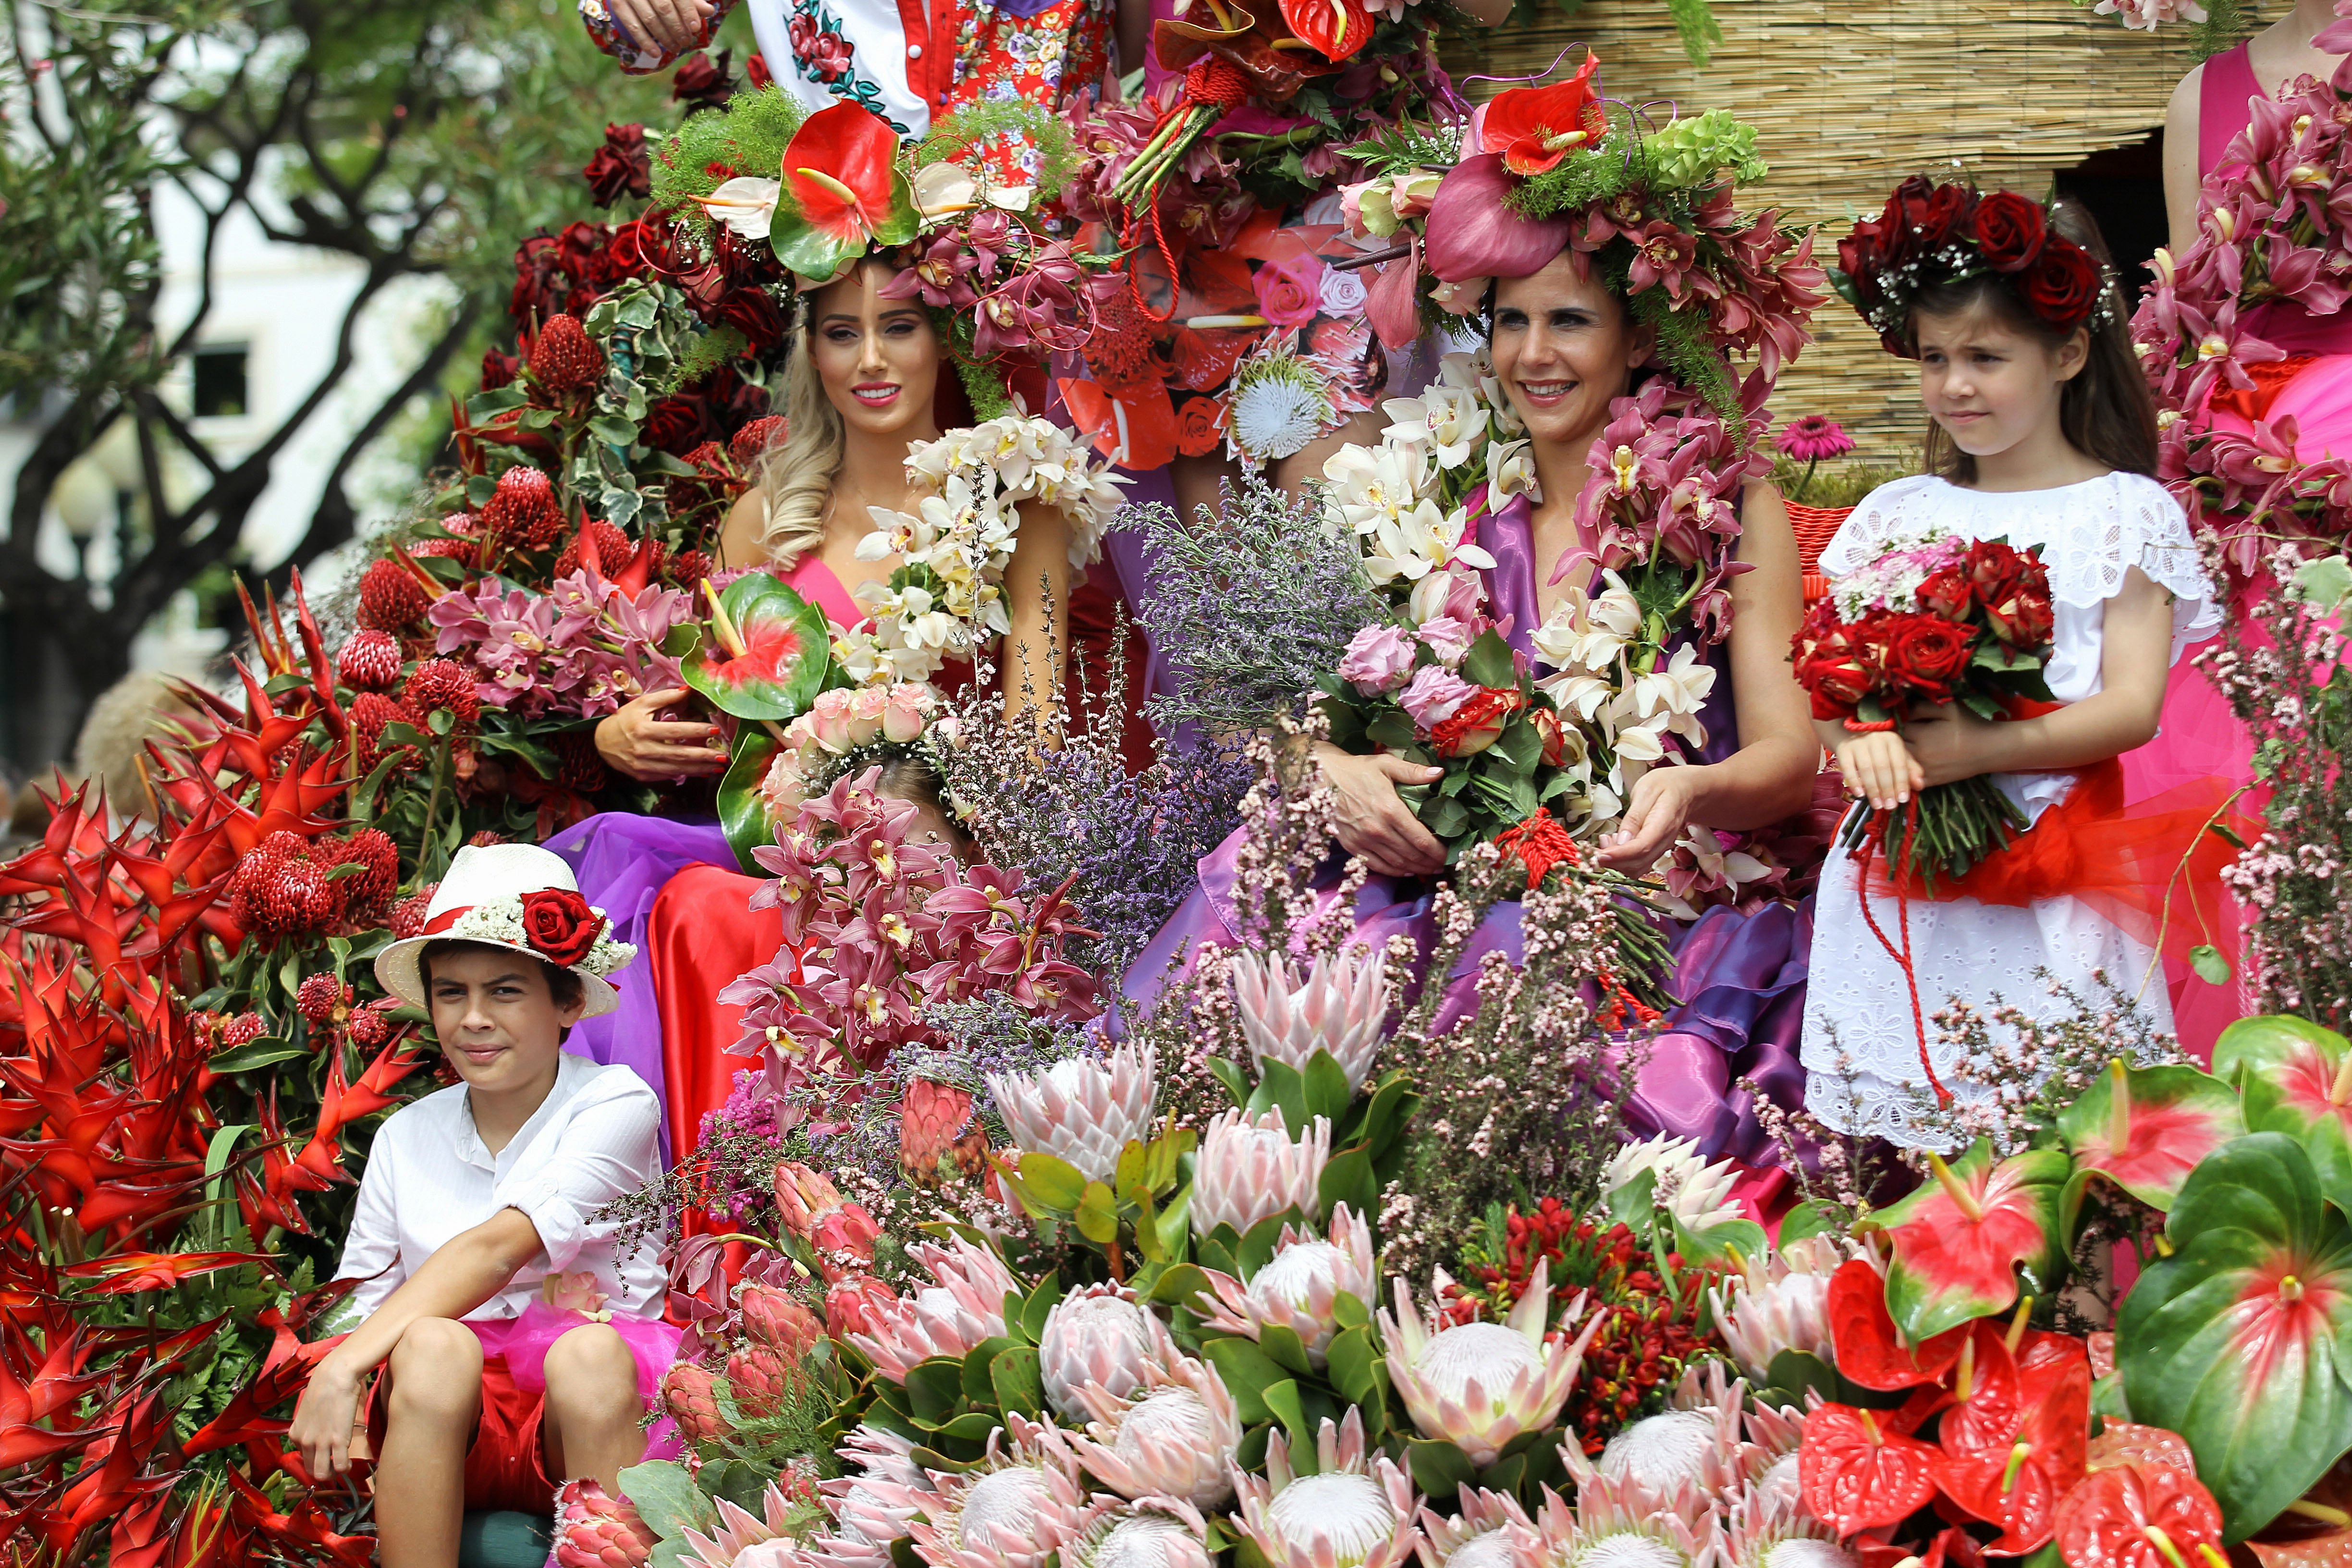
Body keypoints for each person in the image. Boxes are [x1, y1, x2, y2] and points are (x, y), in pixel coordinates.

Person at [1127, 77, 1830, 1167]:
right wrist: (1328, 767)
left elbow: (1791, 757)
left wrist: (1689, 786)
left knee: (1506, 965)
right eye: (1510, 322)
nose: (1535, 355)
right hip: (1443, 880)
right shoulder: (1425, 491)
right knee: (1272, 912)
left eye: (1571, 321)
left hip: (1651, 897)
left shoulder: (1729, 503)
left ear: (1640, 337)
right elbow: (1280, 713)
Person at [552, 256, 1129, 1154]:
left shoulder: (1018, 504)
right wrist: (625, 733)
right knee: (695, 904)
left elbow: (1038, 729)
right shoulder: (762, 521)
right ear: (811, 351)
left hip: (962, 853)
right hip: (798, 856)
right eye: (841, 332)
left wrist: (930, 820)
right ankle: (732, 1216)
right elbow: (741, 731)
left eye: (899, 327)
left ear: (944, 342)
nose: (872, 359)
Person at [1798, 184, 2228, 1148]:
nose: (1955, 385)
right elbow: (1828, 670)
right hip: (1902, 873)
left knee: (2064, 1135)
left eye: (1987, 358)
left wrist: (1979, 747)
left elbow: (2131, 707)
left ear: (2067, 355)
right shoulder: (1899, 514)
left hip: (2055, 869)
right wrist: (1861, 736)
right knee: (1914, 1141)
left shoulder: (2124, 512)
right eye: (1936, 359)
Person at [287, 844, 676, 1566]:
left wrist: (340, 1369)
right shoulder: (407, 1134)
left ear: (566, 1002)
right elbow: (362, 1294)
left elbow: (501, 1248)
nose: (472, 1019)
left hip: (586, 1413)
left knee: (589, 1351)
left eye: (504, 992)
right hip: (445, 1421)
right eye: (451, 993)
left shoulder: (616, 1102)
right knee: (434, 1344)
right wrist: (343, 1360)